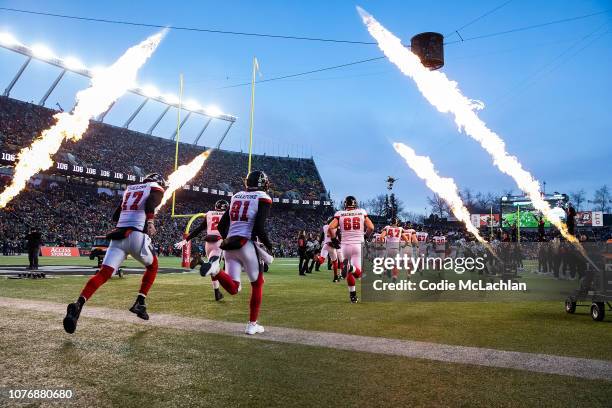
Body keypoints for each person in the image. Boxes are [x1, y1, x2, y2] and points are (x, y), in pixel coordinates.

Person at [62, 173, 166, 334]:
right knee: (153, 266)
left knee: (104, 274)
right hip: (136, 234)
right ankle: (140, 302)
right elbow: (151, 202)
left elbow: (116, 216)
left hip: (118, 237)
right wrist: (150, 222)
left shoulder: (130, 190)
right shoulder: (155, 188)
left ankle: (78, 305)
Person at [205, 170, 273, 335]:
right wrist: (269, 246)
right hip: (246, 244)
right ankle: (252, 324)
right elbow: (258, 227)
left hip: (229, 245)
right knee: (257, 284)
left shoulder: (236, 196)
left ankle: (215, 270)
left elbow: (221, 226)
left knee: (234, 287)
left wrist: (230, 239)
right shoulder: (263, 197)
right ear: (263, 183)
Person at [174, 199, 229, 301]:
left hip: (208, 243)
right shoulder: (227, 216)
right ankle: (201, 262)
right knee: (215, 267)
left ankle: (217, 293)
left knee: (213, 268)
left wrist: (185, 240)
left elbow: (199, 229)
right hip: (219, 242)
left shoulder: (209, 214)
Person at [328, 196, 374, 303]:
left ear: (345, 204)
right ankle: (350, 267)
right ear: (355, 204)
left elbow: (330, 227)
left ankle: (353, 296)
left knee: (349, 272)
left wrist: (334, 239)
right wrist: (366, 237)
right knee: (358, 273)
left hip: (345, 246)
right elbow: (371, 227)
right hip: (358, 245)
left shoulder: (340, 214)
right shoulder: (361, 212)